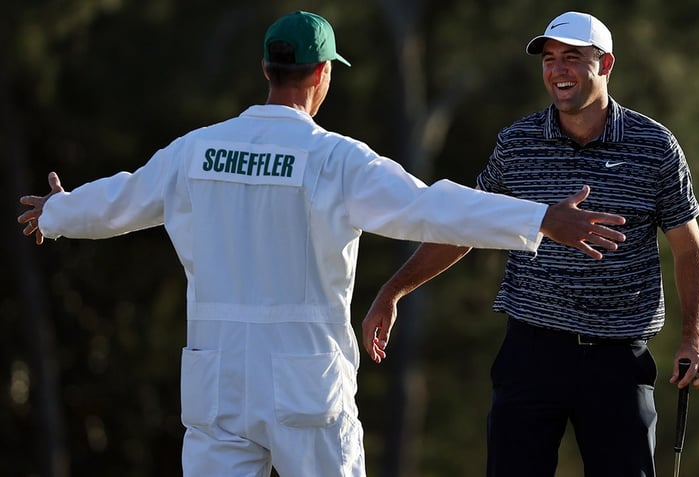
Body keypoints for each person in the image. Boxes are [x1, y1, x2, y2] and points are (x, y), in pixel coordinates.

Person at [17, 10, 628, 477]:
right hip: (305, 380)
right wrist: (539, 218)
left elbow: (121, 200)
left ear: (266, 70)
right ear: (322, 74)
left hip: (216, 377)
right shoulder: (333, 159)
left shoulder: (195, 150)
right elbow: (430, 207)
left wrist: (59, 212)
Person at [361, 10, 699, 477]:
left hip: (617, 359)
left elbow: (688, 248)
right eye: (549, 59)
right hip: (532, 352)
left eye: (572, 57)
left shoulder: (655, 147)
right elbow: (466, 228)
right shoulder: (518, 143)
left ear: (605, 64)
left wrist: (695, 338)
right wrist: (393, 291)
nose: (557, 70)